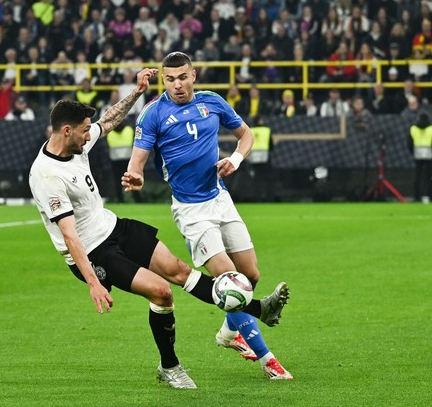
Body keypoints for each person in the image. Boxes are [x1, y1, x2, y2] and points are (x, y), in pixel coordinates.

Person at [29, 68, 289, 389]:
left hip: (114, 227)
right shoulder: (47, 177)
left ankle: (258, 309)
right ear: (66, 130)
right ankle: (170, 366)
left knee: (180, 271)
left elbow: (108, 121)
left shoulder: (75, 143)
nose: (89, 135)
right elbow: (70, 236)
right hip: (94, 252)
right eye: (84, 131)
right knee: (162, 292)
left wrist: (138, 92)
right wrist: (93, 282)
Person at [123, 52, 293, 380]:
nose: (177, 85)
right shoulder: (152, 114)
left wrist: (236, 160)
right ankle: (268, 360)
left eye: (182, 77)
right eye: (170, 79)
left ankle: (228, 334)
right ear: (163, 80)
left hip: (221, 198)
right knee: (229, 280)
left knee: (250, 276)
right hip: (191, 211)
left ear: (193, 75)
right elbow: (137, 161)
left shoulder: (212, 102)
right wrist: (136, 176)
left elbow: (247, 135)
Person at [407, 112, 432, 203]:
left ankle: (417, 196)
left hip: (417, 154)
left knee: (418, 177)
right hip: (429, 154)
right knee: (429, 177)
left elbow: (409, 143)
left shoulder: (413, 129)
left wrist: (413, 152)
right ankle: (431, 196)